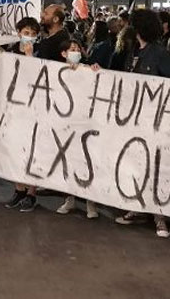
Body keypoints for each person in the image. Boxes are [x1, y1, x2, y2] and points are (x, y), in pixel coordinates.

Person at [115, 9, 170, 238]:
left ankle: (160, 216)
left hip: (154, 119)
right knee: (137, 164)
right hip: (134, 118)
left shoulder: (159, 54)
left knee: (155, 167)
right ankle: (137, 206)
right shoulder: (132, 52)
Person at [3, 17, 45, 213]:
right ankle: (18, 189)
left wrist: (30, 57)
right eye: (26, 33)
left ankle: (31, 193)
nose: (29, 37)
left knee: (32, 150)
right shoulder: (10, 52)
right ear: (19, 32)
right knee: (14, 150)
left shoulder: (40, 52)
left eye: (33, 34)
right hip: (14, 107)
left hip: (33, 108)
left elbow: (40, 78)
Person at [55, 39, 100, 219]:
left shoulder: (88, 69)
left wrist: (95, 72)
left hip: (85, 122)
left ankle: (90, 202)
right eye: (71, 49)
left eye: (77, 49)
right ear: (63, 54)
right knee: (68, 161)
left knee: (87, 161)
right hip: (66, 123)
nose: (75, 52)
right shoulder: (55, 70)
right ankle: (70, 198)